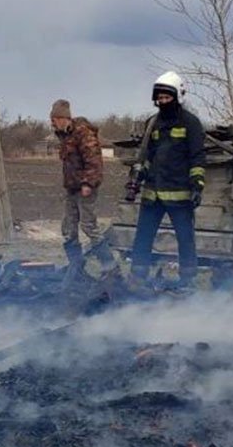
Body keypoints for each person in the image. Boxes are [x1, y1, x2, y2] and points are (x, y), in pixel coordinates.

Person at [127, 71, 205, 287]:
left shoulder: (191, 123)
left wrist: (197, 185)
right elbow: (148, 156)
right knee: (143, 237)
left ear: (178, 96)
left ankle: (187, 281)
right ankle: (138, 278)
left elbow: (197, 157)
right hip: (152, 193)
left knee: (185, 239)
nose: (162, 102)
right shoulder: (152, 124)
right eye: (159, 98)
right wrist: (138, 177)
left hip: (180, 195)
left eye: (166, 98)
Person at [49, 99, 114, 274]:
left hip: (86, 188)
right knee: (68, 229)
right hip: (71, 188)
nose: (52, 124)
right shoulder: (65, 136)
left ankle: (110, 267)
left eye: (54, 119)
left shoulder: (83, 133)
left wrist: (87, 183)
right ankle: (76, 268)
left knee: (88, 226)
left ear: (63, 118)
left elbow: (94, 161)